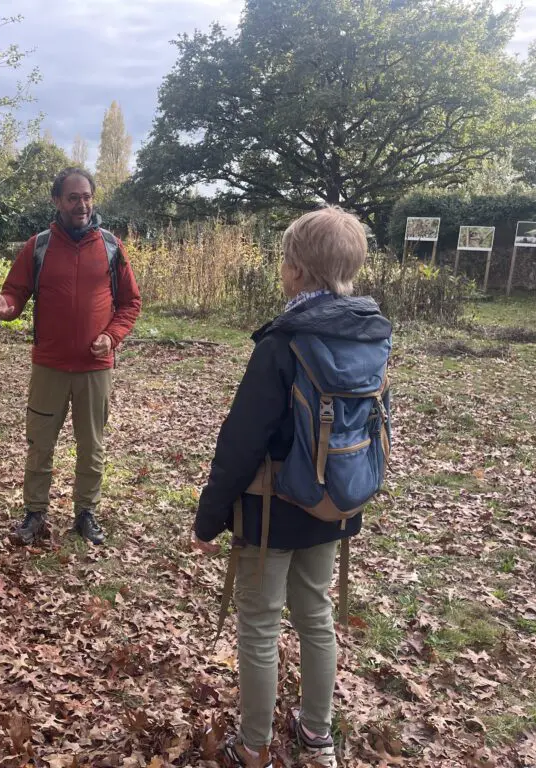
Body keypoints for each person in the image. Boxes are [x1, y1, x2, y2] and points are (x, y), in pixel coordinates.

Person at [192, 207, 393, 768]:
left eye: (286, 260)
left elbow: (241, 440)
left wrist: (208, 519)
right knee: (315, 616)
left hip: (268, 508)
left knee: (259, 625)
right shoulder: (372, 334)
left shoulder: (282, 342)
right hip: (333, 500)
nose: (283, 269)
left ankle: (253, 745)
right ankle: (317, 738)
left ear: (298, 270)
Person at [0, 168, 142, 545]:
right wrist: (7, 307)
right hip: (50, 367)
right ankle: (35, 513)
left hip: (95, 369)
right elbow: (15, 292)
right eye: (73, 197)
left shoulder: (110, 247)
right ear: (57, 201)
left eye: (87, 196)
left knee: (92, 445)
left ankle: (86, 513)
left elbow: (130, 303)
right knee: (40, 443)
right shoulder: (38, 246)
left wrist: (112, 336)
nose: (82, 204)